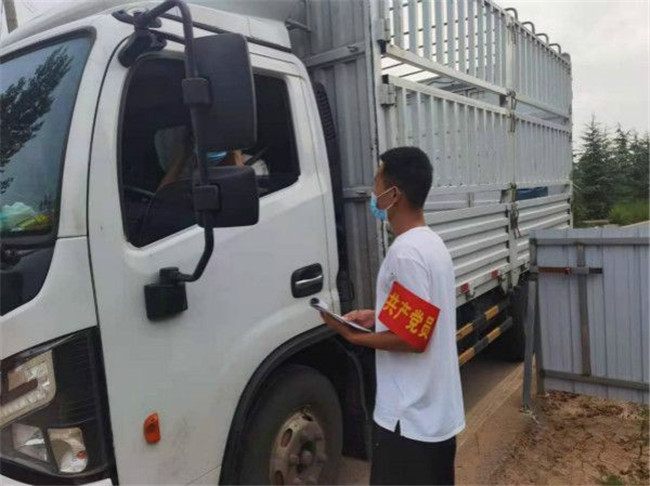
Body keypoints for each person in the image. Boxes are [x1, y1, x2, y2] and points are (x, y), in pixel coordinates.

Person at [319, 146, 465, 485]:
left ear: (394, 195)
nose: (373, 193)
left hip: (408, 421)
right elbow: (425, 314)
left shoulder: (405, 253)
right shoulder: (430, 244)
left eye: (377, 183)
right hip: (433, 417)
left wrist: (354, 336)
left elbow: (413, 339)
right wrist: (378, 316)